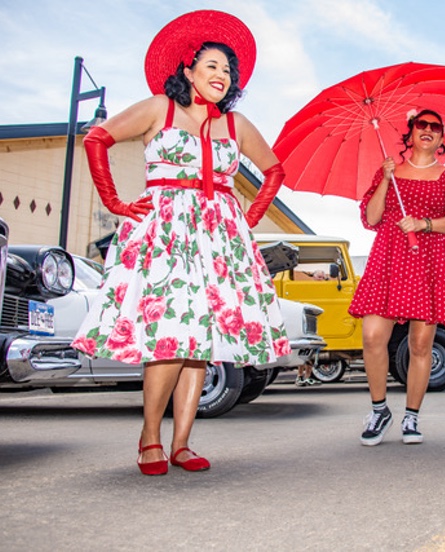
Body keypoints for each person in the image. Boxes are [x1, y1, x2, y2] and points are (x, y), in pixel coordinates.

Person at [71, 10, 291, 475]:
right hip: (166, 230)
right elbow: (96, 139)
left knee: (200, 342)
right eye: (212, 66)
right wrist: (115, 201)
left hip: (219, 238)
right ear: (188, 71)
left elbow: (274, 171)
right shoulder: (158, 109)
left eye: (228, 70)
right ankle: (150, 437)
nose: (222, 76)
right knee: (169, 337)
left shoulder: (237, 125)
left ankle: (183, 443)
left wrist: (246, 218)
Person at [349, 109, 445, 446]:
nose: (429, 130)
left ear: (442, 138)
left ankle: (412, 416)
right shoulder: (389, 170)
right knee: (373, 336)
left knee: (420, 343)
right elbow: (372, 218)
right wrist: (387, 179)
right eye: (422, 125)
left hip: (430, 258)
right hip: (389, 257)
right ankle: (379, 410)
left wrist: (424, 224)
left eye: (436, 126)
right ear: (411, 132)